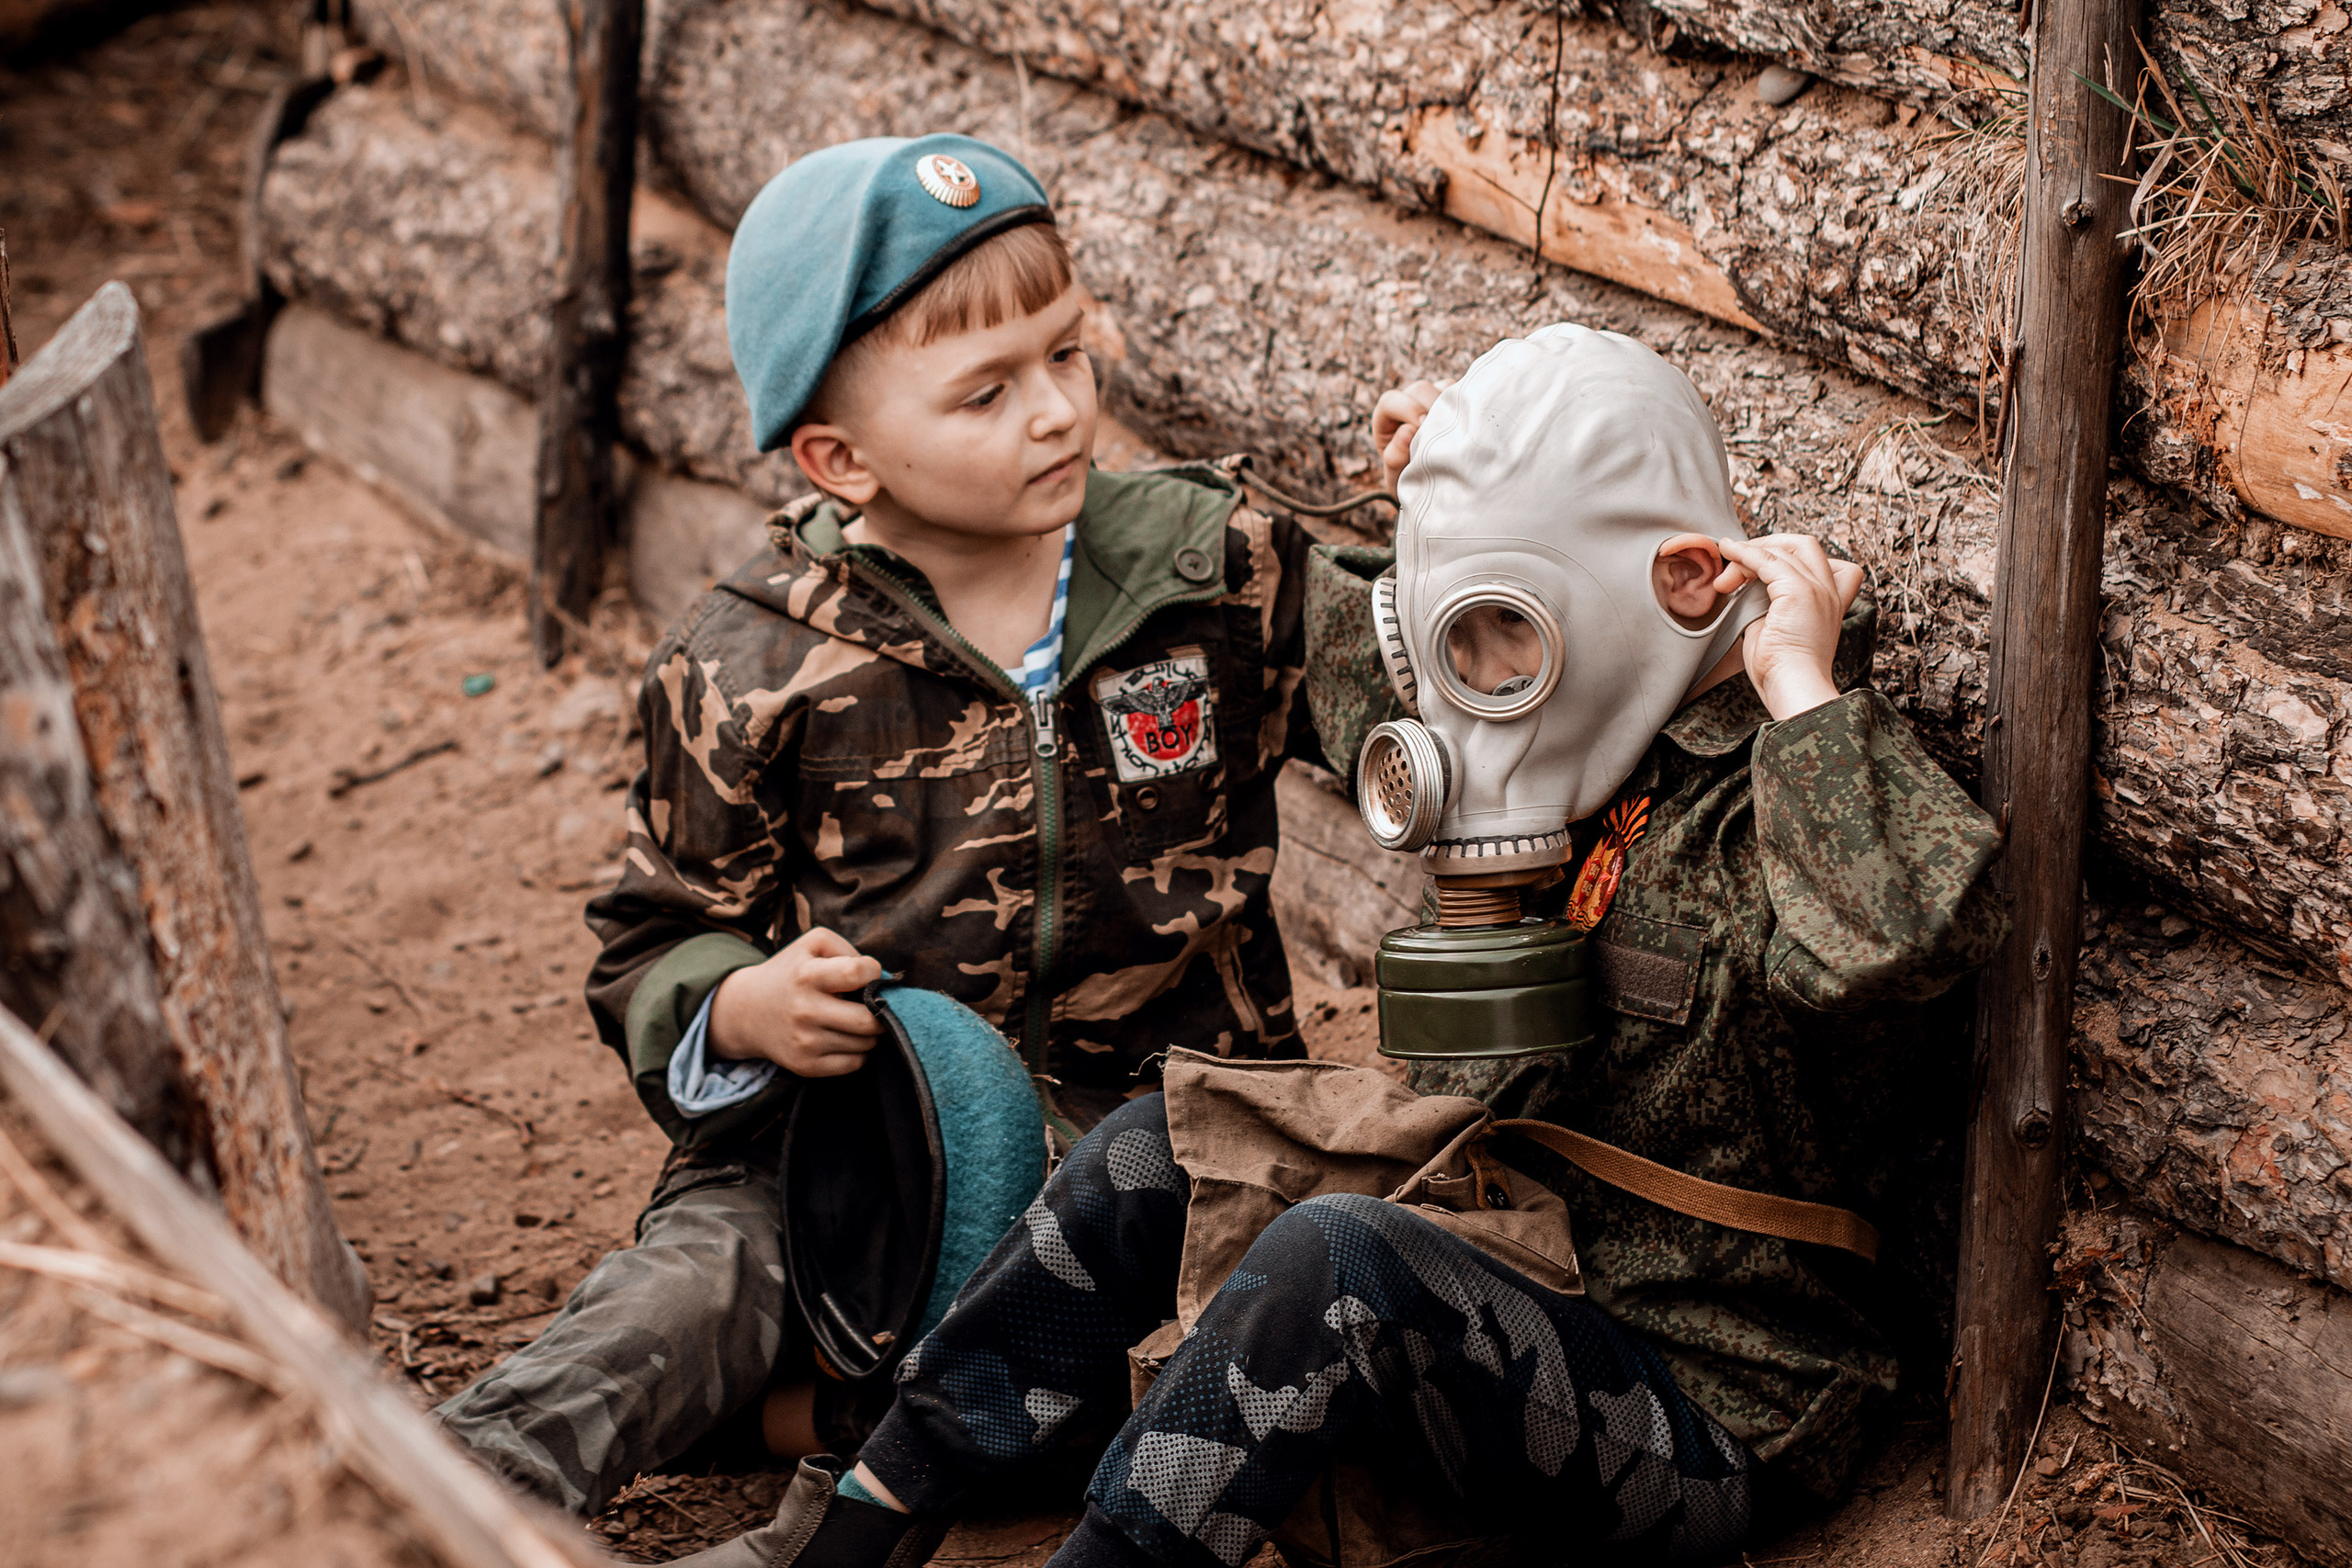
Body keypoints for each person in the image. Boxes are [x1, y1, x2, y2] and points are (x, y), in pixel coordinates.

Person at [668, 324, 2008, 1568]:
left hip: (1705, 1415)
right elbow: (1361, 654)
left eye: (1513, 636)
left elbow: (1901, 942)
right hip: (1504, 1267)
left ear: (1689, 581)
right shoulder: (1558, 726)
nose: (1480, 694)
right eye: (1464, 642)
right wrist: (1433, 509)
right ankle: (859, 1528)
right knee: (1153, 1148)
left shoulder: (1783, 787)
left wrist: (1800, 690)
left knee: (1338, 1262)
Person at [430, 134, 1400, 1517]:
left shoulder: (1215, 570)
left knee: (1221, 1381)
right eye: (986, 393)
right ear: (840, 459)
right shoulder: (751, 663)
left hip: (1170, 1146)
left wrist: (1463, 508)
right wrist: (744, 1007)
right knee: (675, 1304)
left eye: (1066, 354)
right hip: (850, 1162)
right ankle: (432, 1496)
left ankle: (827, 1430)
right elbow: (656, 938)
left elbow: (1436, 681)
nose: (1057, 412)